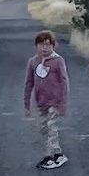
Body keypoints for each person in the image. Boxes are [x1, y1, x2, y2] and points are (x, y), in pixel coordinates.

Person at [21, 30, 71, 167]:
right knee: (45, 129)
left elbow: (64, 82)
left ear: (53, 46)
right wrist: (26, 104)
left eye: (48, 45)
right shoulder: (33, 62)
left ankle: (48, 157)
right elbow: (29, 83)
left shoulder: (58, 61)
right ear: (36, 46)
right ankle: (58, 154)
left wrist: (63, 104)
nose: (44, 48)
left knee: (52, 127)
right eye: (41, 45)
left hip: (54, 102)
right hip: (41, 102)